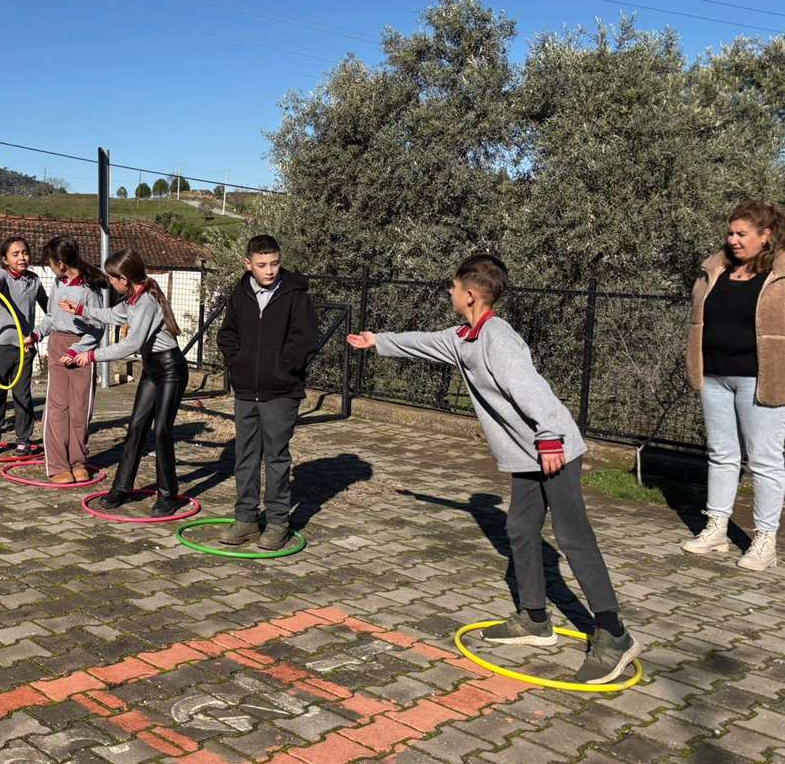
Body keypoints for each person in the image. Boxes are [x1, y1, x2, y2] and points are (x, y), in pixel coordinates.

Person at [348, 254, 640, 685]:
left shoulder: (497, 339)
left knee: (571, 536)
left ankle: (614, 633)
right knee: (521, 530)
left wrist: (549, 438)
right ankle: (536, 620)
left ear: (470, 294)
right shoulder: (463, 336)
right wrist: (379, 340)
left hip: (553, 448)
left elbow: (531, 389)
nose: (448, 292)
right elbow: (425, 343)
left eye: (452, 287)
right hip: (527, 455)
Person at [683, 199, 785, 571]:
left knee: (765, 460)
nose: (734, 240)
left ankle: (764, 540)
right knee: (722, 454)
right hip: (714, 375)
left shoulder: (780, 275)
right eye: (730, 232)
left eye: (742, 234)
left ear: (766, 235)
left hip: (761, 380)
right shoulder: (715, 271)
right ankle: (717, 529)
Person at [60, 249, 189, 518]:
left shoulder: (147, 302)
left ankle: (168, 495)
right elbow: (113, 316)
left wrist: (91, 355)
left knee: (162, 430)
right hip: (153, 370)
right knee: (136, 426)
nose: (110, 282)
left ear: (124, 278)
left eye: (111, 278)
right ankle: (121, 488)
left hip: (170, 369)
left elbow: (131, 344)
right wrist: (81, 309)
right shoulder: (132, 299)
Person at [215, 235, 319, 550]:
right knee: (245, 457)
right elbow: (227, 333)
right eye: (262, 265)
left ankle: (277, 523)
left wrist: (282, 368)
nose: (270, 270)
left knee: (276, 457)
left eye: (274, 263)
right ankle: (245, 520)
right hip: (246, 390)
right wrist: (238, 364)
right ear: (248, 265)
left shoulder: (295, 294)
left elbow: (305, 338)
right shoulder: (240, 293)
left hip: (281, 392)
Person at [39, 236, 107, 483]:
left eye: (50, 262)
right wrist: (36, 333)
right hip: (58, 344)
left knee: (80, 408)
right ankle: (58, 464)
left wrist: (78, 349)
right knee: (57, 407)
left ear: (60, 262)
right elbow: (51, 316)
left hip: (82, 350)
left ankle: (78, 461)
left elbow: (98, 327)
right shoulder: (58, 283)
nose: (49, 267)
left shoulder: (90, 288)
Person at [0, 236, 51, 457]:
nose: (22, 257)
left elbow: (49, 310)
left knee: (22, 394)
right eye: (15, 254)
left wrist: (40, 332)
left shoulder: (35, 281)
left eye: (24, 252)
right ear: (5, 259)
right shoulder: (2, 277)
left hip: (24, 346)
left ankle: (23, 439)